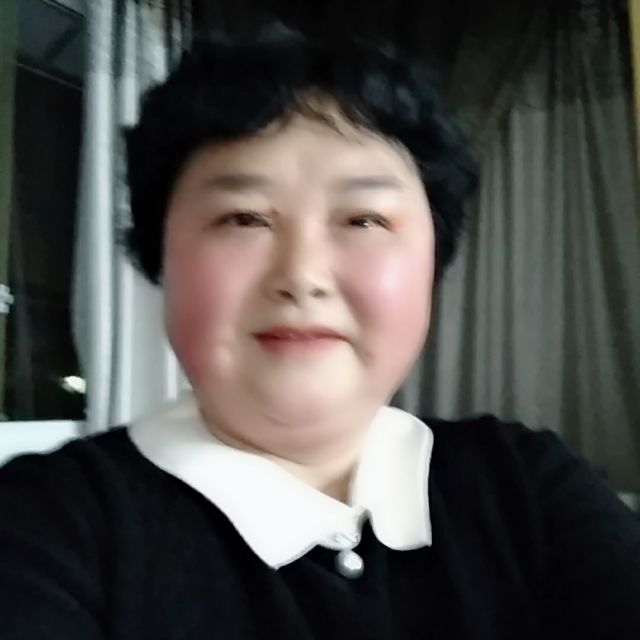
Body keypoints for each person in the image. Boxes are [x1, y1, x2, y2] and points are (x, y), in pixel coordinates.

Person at [1, 23, 639, 640]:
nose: (301, 276)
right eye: (243, 217)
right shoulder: (43, 525)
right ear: (159, 257)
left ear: (433, 262)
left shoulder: (527, 487)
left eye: (363, 220)